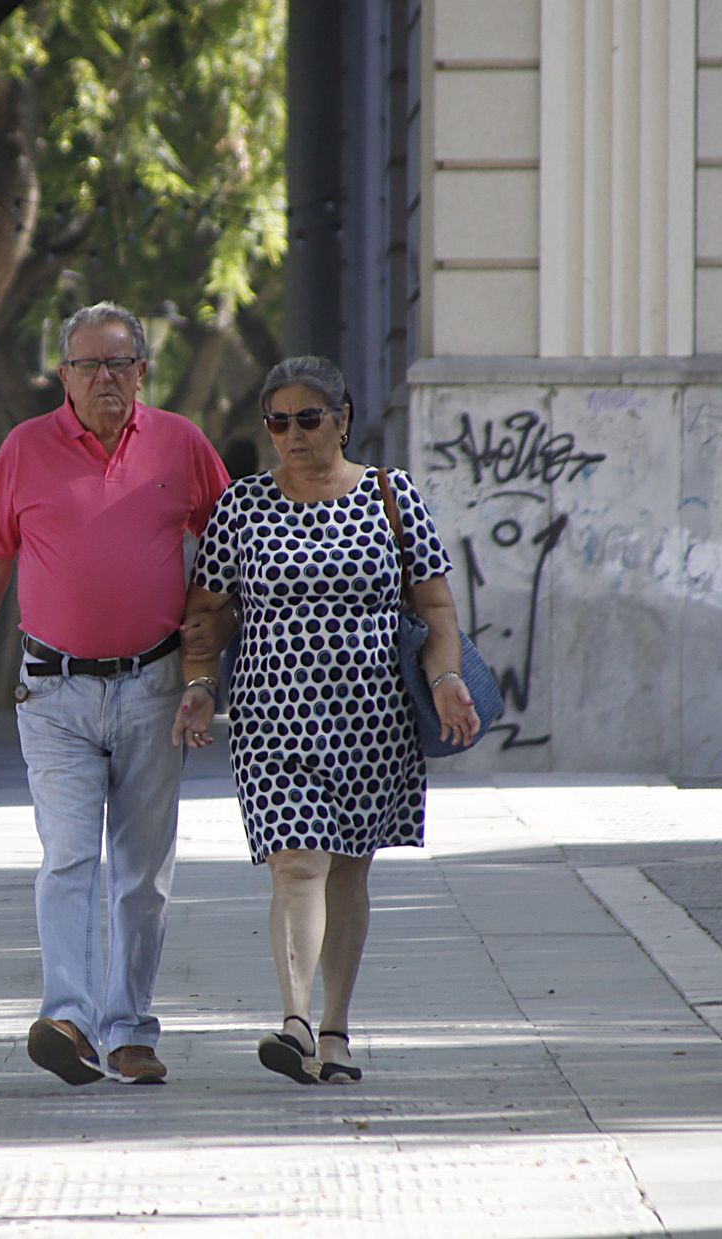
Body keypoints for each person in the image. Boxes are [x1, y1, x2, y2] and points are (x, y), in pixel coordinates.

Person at [0, 302, 230, 1087]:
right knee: (68, 856)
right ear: (62, 375)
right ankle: (68, 1016)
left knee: (142, 871)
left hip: (153, 684)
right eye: (86, 365)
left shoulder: (182, 444)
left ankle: (130, 1027)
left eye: (118, 363)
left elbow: (226, 559)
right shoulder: (25, 448)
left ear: (143, 369)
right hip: (54, 690)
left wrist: (205, 676)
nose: (104, 378)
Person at [172, 355, 479, 1085]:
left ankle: (334, 1030)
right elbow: (206, 612)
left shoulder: (389, 496)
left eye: (308, 418)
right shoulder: (243, 506)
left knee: (347, 872)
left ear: (343, 418)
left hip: (373, 719)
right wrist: (198, 686)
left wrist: (446, 678)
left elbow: (434, 606)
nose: (292, 434)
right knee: (298, 863)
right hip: (274, 717)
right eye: (278, 421)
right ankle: (295, 1019)